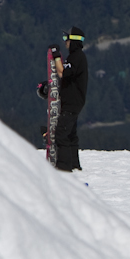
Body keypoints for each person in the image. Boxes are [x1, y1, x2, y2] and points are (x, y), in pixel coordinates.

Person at [53, 26, 89, 171]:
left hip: (71, 103)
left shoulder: (76, 57)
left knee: (61, 133)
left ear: (73, 41)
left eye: (66, 39)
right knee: (71, 134)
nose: (65, 42)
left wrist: (55, 56)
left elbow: (62, 73)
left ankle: (64, 167)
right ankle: (74, 164)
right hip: (75, 102)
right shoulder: (77, 57)